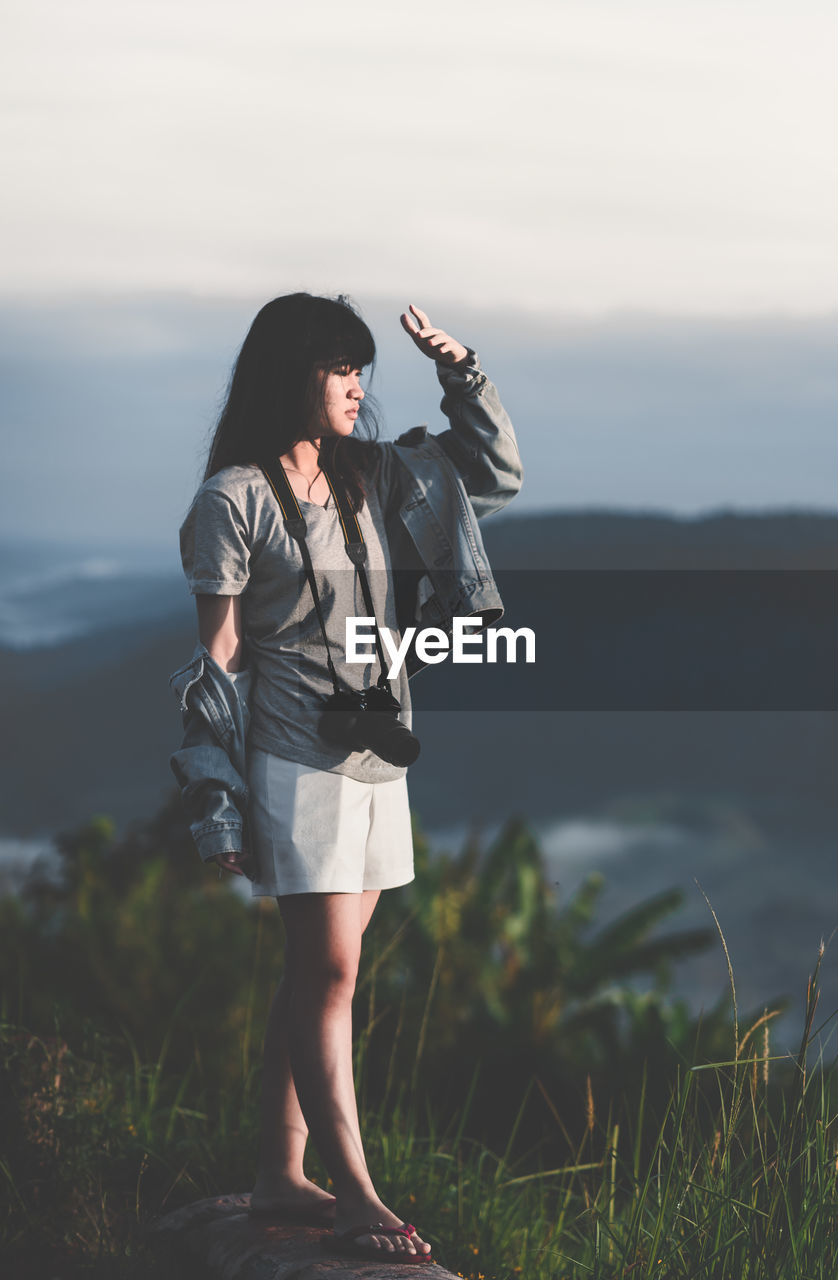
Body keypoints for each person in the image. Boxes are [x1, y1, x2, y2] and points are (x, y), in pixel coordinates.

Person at [173, 293, 522, 1263]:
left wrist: (463, 371)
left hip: (380, 751)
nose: (357, 386)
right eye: (339, 368)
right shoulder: (232, 499)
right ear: (291, 374)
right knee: (331, 971)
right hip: (292, 755)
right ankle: (357, 1189)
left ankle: (283, 1168)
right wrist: (216, 797)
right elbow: (218, 661)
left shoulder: (376, 476)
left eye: (361, 369)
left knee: (318, 971)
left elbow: (494, 475)